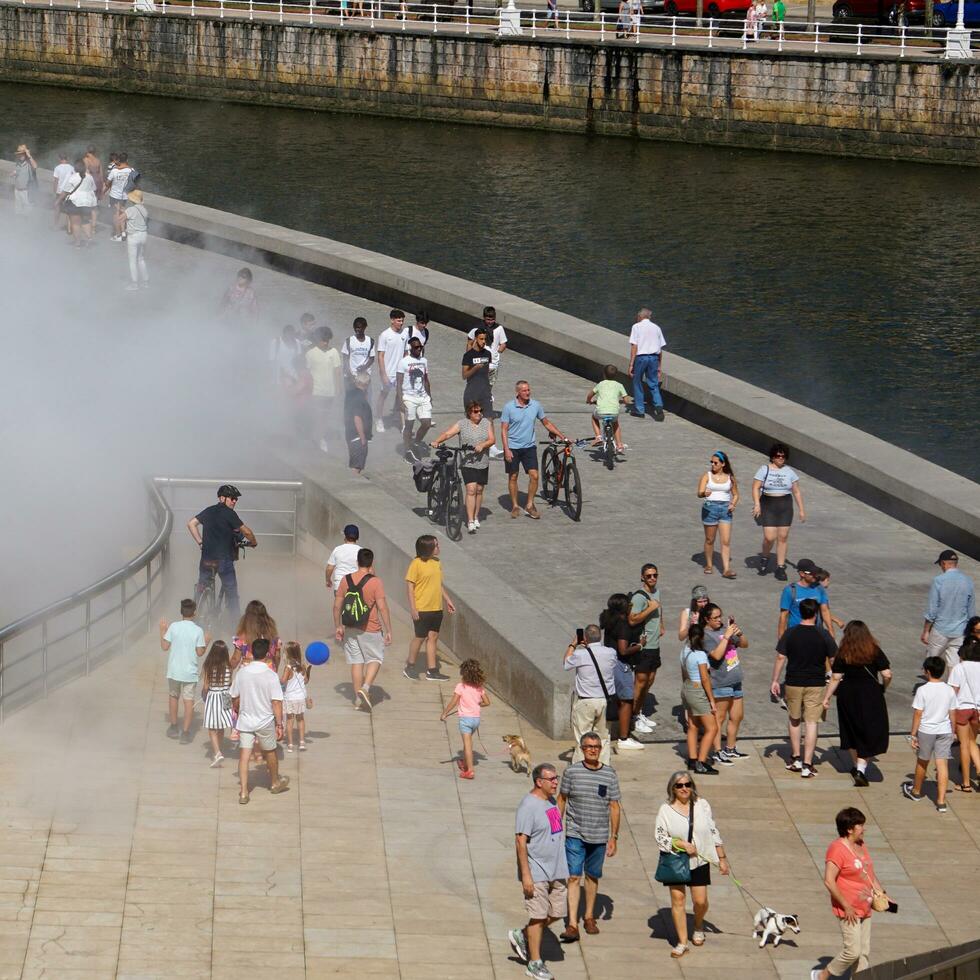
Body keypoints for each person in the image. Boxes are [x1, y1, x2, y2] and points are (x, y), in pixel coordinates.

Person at [655, 772, 729, 959]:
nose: (684, 788)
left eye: (687, 784)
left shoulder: (702, 805)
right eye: (679, 786)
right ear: (673, 788)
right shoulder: (666, 809)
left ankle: (698, 925)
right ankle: (682, 942)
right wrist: (681, 844)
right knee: (678, 901)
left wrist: (721, 858)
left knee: (700, 901)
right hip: (676, 861)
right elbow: (660, 836)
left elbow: (713, 831)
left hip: (700, 860)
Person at [557, 733, 621, 943]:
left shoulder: (610, 775)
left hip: (599, 835)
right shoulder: (571, 772)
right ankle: (572, 924)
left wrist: (614, 836)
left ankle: (589, 916)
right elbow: (562, 799)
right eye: (588, 746)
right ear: (582, 749)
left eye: (596, 746)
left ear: (601, 749)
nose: (593, 750)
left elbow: (614, 806)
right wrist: (556, 829)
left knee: (592, 876)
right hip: (575, 833)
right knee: (574, 877)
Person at [811, 808, 888, 980]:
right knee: (853, 951)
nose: (863, 828)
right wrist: (846, 906)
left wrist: (881, 892)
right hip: (848, 910)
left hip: (865, 906)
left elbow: (868, 873)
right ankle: (821, 975)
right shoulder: (837, 849)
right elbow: (829, 880)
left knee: (863, 953)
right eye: (860, 825)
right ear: (849, 829)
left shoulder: (861, 845)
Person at [508, 763, 568, 980]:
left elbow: (555, 831)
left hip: (557, 869)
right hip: (537, 870)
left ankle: (523, 935)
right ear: (538, 782)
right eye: (551, 779)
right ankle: (534, 963)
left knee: (557, 913)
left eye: (556, 778)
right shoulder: (528, 806)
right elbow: (520, 841)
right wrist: (526, 875)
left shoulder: (550, 801)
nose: (555, 783)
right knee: (538, 915)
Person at [771, 598, 837, 778]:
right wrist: (835, 678)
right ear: (815, 614)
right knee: (811, 723)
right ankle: (808, 763)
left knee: (794, 719)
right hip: (816, 683)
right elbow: (833, 660)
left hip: (793, 681)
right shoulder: (823, 634)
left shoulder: (790, 633)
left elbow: (780, 658)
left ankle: (796, 758)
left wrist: (775, 680)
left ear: (800, 612)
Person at [822, 621, 892, 787]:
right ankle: (860, 768)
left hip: (848, 695)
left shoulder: (843, 652)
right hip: (871, 694)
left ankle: (857, 766)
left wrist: (827, 697)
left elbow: (835, 677)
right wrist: (883, 686)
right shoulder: (873, 650)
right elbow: (887, 673)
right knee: (869, 729)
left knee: (851, 728)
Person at [230, 638, 289, 804]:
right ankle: (275, 782)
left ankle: (243, 792)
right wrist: (279, 724)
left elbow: (234, 695)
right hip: (265, 721)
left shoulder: (242, 673)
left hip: (246, 721)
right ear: (267, 654)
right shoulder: (271, 675)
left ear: (252, 653)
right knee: (270, 751)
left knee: (244, 755)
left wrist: (238, 707)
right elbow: (276, 702)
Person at [333, 547, 393, 711]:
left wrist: (338, 626)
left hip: (350, 626)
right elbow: (382, 607)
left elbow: (337, 605)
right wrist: (388, 630)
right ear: (371, 562)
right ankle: (365, 689)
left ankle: (358, 701)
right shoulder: (375, 582)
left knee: (356, 662)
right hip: (371, 627)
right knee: (375, 658)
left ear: (357, 561)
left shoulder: (346, 580)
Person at [187, 484, 256, 622]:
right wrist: (253, 542)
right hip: (224, 561)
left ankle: (190, 618)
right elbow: (246, 532)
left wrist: (200, 542)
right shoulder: (230, 514)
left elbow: (191, 524)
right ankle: (236, 628)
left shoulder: (208, 511)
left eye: (236, 499)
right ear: (222, 498)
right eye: (232, 498)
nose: (235, 501)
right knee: (232, 595)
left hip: (206, 560)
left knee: (201, 587)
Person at [500, 381, 567, 520]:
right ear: (517, 392)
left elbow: (546, 422)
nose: (527, 392)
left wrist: (562, 436)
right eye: (524, 390)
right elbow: (503, 430)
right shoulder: (509, 407)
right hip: (513, 447)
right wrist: (506, 449)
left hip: (529, 447)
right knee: (513, 476)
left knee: (534, 476)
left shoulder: (535, 405)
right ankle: (515, 505)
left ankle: (530, 505)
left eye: (529, 390)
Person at [432, 401, 495, 535]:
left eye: (480, 411)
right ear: (469, 413)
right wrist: (437, 441)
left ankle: (476, 516)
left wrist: (482, 445)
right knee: (471, 489)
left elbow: (492, 440)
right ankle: (470, 521)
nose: (479, 414)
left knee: (479, 490)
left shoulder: (486, 423)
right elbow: (448, 434)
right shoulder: (462, 423)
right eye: (475, 412)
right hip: (467, 462)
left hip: (482, 461)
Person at [903, 656, 957, 811]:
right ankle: (941, 801)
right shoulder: (949, 690)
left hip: (927, 731)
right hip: (945, 730)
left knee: (922, 761)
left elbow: (918, 714)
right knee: (942, 763)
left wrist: (913, 734)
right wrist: (953, 731)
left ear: (927, 672)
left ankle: (916, 791)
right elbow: (952, 712)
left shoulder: (922, 690)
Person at [700, 603, 749, 766]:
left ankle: (730, 748)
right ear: (706, 619)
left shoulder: (723, 629)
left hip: (735, 680)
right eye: (715, 618)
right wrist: (727, 637)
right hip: (720, 682)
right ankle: (717, 752)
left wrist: (738, 632)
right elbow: (716, 655)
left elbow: (744, 644)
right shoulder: (705, 636)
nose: (719, 620)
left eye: (720, 616)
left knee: (737, 716)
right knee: (718, 719)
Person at [403, 535, 455, 680]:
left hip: (436, 608)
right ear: (428, 548)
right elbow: (410, 587)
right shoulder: (416, 563)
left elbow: (438, 584)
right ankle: (410, 666)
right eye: (436, 545)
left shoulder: (437, 562)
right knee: (420, 637)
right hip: (422, 608)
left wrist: (448, 600)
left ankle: (432, 671)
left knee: (433, 637)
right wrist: (413, 608)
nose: (439, 548)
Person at [752, 442, 806, 581]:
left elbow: (796, 491)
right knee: (770, 537)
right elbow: (755, 487)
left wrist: (801, 510)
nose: (780, 458)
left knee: (782, 537)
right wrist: (757, 504)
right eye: (777, 456)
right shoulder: (764, 469)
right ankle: (765, 556)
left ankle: (780, 567)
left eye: (783, 456)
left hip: (785, 505)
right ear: (772, 456)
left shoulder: (789, 472)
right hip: (768, 504)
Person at [564, 625, 617, 764]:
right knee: (604, 737)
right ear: (600, 637)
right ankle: (603, 766)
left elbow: (566, 664)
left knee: (582, 738)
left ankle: (581, 768)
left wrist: (573, 644)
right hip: (605, 701)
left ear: (585, 638)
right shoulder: (611, 652)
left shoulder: (580, 654)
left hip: (586, 701)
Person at [600, 594, 644, 751]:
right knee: (626, 701)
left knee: (612, 699)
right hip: (621, 664)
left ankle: (606, 732)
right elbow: (623, 650)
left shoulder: (608, 620)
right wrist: (640, 645)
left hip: (609, 663)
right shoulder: (622, 625)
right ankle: (624, 738)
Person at [158, 599, 206, 744]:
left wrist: (162, 631)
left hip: (174, 671)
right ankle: (185, 732)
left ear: (181, 612)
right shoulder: (198, 630)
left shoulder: (173, 627)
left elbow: (165, 646)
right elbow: (199, 652)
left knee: (173, 697)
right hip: (189, 673)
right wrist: (207, 641)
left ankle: (173, 726)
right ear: (195, 613)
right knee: (188, 700)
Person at [921, 549, 975, 670]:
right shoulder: (968, 581)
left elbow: (932, 610)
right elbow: (971, 611)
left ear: (944, 563)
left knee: (930, 664)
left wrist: (926, 631)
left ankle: (931, 687)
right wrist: (971, 633)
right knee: (954, 667)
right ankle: (952, 688)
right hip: (960, 631)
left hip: (940, 630)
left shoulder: (939, 581)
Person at [628, 564, 664, 735]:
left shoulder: (656, 592)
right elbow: (632, 620)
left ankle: (639, 712)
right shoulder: (639, 598)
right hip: (644, 646)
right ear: (642, 577)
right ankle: (633, 717)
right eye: (648, 576)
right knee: (640, 683)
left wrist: (661, 625)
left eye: (654, 575)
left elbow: (659, 609)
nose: (652, 578)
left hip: (655, 645)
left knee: (649, 681)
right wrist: (650, 608)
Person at [439, 658, 490, 779]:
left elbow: (453, 702)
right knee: (467, 743)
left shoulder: (461, 686)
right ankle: (464, 762)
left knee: (467, 745)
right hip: (476, 720)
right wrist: (478, 704)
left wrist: (445, 713)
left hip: (465, 720)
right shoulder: (479, 687)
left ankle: (470, 771)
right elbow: (487, 702)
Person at [681, 621, 720, 775]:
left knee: (693, 725)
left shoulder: (684, 651)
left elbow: (683, 672)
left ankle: (692, 759)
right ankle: (701, 762)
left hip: (687, 688)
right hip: (698, 691)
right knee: (712, 728)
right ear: (702, 638)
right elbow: (705, 679)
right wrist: (711, 700)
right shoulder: (700, 655)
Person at [697, 451, 739, 578]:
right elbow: (699, 493)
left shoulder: (730, 477)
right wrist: (704, 493)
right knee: (710, 539)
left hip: (725, 510)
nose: (713, 464)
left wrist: (733, 503)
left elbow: (736, 494)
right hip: (710, 508)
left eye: (715, 462)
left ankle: (726, 569)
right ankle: (709, 564)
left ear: (723, 464)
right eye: (711, 462)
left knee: (725, 541)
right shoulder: (707, 476)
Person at [947, 639, 980, 792]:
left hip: (962, 708)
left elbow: (952, 692)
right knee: (973, 741)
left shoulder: (959, 668)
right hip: (977, 710)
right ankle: (979, 770)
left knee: (964, 745)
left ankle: (966, 783)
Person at [306, 326, 342, 454]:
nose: (325, 342)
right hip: (316, 390)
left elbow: (337, 371)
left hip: (329, 391)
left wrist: (338, 389)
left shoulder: (334, 352)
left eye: (327, 340)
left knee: (325, 416)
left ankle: (319, 438)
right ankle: (316, 438)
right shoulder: (310, 354)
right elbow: (306, 373)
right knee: (316, 416)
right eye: (323, 340)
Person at [627, 307, 667, 421]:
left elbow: (634, 346)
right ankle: (658, 407)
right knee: (653, 384)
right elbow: (660, 349)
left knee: (637, 382)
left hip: (641, 358)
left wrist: (631, 364)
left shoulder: (636, 327)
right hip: (654, 358)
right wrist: (659, 366)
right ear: (649, 316)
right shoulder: (657, 328)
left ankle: (640, 410)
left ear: (640, 316)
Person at [778, 558, 834, 639]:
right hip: (795, 634)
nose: (815, 575)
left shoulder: (819, 588)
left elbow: (825, 611)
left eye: (816, 572)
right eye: (811, 573)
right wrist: (781, 638)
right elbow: (784, 615)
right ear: (802, 574)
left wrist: (831, 631)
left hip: (816, 633)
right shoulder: (790, 590)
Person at [466, 306, 508, 412]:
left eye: (492, 319)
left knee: (489, 385)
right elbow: (470, 341)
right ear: (484, 318)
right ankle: (479, 406)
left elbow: (503, 343)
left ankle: (483, 404)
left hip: (493, 363)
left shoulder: (499, 329)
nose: (490, 322)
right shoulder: (477, 328)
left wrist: (497, 353)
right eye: (488, 319)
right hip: (480, 361)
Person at [396, 336, 433, 456]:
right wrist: (400, 401)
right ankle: (407, 450)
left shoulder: (424, 361)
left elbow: (426, 380)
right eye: (416, 347)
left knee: (427, 423)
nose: (419, 349)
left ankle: (416, 442)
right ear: (410, 348)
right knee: (409, 425)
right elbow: (399, 383)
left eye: (420, 347)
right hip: (409, 397)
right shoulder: (403, 362)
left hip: (423, 397)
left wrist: (430, 396)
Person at [201, 639, 234, 767]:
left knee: (211, 727)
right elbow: (230, 683)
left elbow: (205, 686)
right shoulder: (229, 667)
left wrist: (204, 694)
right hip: (226, 696)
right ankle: (218, 749)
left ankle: (217, 752)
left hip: (213, 696)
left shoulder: (209, 667)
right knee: (221, 726)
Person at [375, 309, 408, 432]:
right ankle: (378, 419)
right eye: (399, 320)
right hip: (388, 372)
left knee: (401, 397)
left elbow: (405, 353)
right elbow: (380, 356)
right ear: (392, 320)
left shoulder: (405, 334)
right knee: (383, 396)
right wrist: (383, 375)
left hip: (400, 373)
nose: (401, 323)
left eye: (402, 320)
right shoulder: (384, 335)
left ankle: (403, 424)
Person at [587, 364, 630, 452]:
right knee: (615, 423)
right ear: (616, 375)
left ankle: (598, 437)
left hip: (601, 411)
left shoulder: (600, 384)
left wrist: (589, 400)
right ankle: (619, 444)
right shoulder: (619, 385)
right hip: (614, 412)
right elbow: (626, 400)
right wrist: (622, 401)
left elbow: (590, 394)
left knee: (594, 417)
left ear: (604, 375)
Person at [280, 641, 312, 752]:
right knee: (300, 719)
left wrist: (277, 679)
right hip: (300, 698)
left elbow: (283, 681)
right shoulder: (302, 666)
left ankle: (290, 744)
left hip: (290, 698)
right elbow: (306, 681)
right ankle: (302, 742)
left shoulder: (288, 668)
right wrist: (308, 671)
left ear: (287, 654)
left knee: (290, 720)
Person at [233, 600, 282, 670]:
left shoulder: (242, 637)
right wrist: (275, 668)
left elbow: (235, 659)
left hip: (247, 671)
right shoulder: (273, 636)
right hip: (267, 669)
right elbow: (277, 657)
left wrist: (228, 670)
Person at [60, 159, 98, 248]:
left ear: (75, 168)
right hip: (87, 202)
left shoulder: (73, 177)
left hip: (75, 202)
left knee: (76, 223)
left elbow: (65, 191)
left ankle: (78, 243)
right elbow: (94, 189)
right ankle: (89, 238)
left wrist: (59, 200)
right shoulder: (89, 177)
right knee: (85, 221)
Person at [461, 326, 493, 420]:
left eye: (485, 339)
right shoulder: (468, 355)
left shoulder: (488, 354)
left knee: (489, 420)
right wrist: (475, 368)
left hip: (485, 392)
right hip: (472, 393)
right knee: (472, 422)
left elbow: (487, 373)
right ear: (476, 339)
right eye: (481, 339)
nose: (483, 341)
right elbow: (464, 375)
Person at [344, 372, 373, 474]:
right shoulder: (360, 398)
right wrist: (362, 438)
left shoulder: (350, 394)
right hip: (357, 437)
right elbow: (357, 418)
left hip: (349, 434)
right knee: (356, 467)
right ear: (366, 384)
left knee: (353, 463)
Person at [123, 189, 149, 290]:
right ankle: (146, 282)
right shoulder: (144, 210)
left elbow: (121, 218)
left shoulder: (130, 210)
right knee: (141, 259)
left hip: (133, 236)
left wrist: (119, 211)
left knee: (132, 261)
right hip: (143, 235)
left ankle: (134, 284)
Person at [105, 151, 133, 241]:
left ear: (119, 160)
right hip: (124, 196)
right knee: (122, 213)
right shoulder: (131, 170)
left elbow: (107, 183)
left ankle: (118, 235)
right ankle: (123, 232)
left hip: (114, 196)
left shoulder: (114, 170)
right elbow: (135, 182)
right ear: (127, 160)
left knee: (116, 215)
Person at [326, 524, 362, 594]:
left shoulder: (337, 549)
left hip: (339, 586)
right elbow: (369, 570)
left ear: (345, 536)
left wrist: (328, 580)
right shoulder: (361, 551)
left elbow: (329, 568)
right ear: (357, 537)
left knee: (338, 605)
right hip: (356, 587)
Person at [341, 316, 375, 385]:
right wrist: (350, 375)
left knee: (364, 395)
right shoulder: (349, 341)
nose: (357, 329)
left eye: (359, 327)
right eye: (355, 327)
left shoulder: (370, 341)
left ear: (365, 327)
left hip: (364, 377)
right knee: (351, 395)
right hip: (351, 376)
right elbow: (345, 359)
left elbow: (372, 358)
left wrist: (364, 368)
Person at [51, 152, 74, 230]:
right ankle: (69, 227)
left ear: (59, 159)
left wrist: (54, 191)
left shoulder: (57, 168)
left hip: (59, 191)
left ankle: (55, 225)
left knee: (57, 208)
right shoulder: (72, 168)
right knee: (69, 210)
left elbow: (56, 181)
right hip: (69, 191)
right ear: (67, 159)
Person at [12, 144, 36, 214]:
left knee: (27, 210)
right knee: (18, 209)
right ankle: (18, 223)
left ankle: (26, 223)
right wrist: (13, 174)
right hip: (17, 190)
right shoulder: (18, 163)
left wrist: (29, 155)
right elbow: (17, 174)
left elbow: (35, 166)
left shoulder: (29, 163)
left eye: (22, 154)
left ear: (25, 154)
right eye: (19, 154)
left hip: (26, 191)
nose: (20, 156)